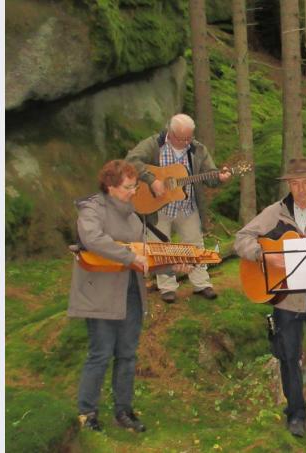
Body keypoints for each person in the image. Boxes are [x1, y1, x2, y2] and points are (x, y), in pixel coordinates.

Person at [68, 160, 191, 432]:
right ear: (110, 186)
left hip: (131, 292)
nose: (134, 191)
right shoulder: (92, 208)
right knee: (100, 354)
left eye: (135, 185)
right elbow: (93, 239)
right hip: (100, 293)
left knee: (127, 354)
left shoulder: (133, 215)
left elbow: (143, 256)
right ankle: (87, 413)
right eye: (128, 187)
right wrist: (129, 256)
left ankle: (123, 411)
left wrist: (174, 265)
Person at [234, 158, 306, 438]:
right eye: (295, 183)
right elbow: (242, 238)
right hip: (287, 298)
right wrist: (265, 255)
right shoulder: (275, 212)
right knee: (288, 356)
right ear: (289, 184)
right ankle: (296, 414)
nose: (300, 189)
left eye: (305, 182)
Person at [125, 113, 231, 303]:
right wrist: (152, 180)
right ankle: (167, 288)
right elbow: (130, 161)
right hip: (158, 208)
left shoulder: (198, 149)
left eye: (189, 137)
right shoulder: (153, 144)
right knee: (160, 249)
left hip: (186, 207)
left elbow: (210, 175)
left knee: (195, 245)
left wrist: (219, 177)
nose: (186, 141)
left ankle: (202, 284)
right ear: (171, 133)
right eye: (182, 138)